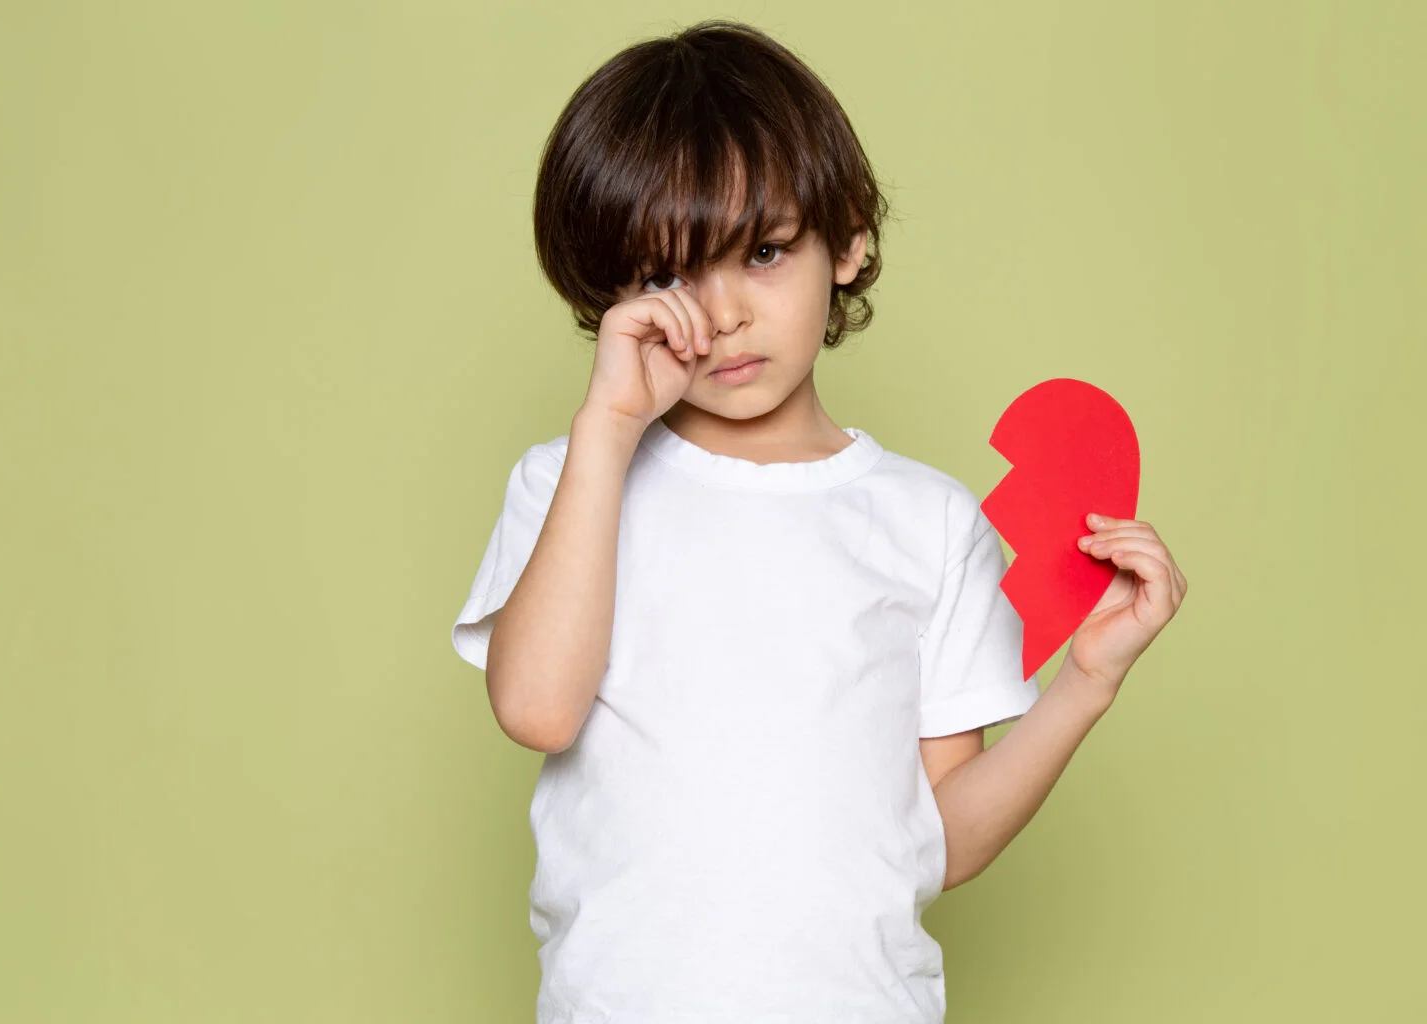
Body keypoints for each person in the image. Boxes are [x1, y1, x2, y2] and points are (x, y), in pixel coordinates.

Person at [449, 18, 1187, 1023]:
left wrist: (1086, 684)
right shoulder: (575, 475)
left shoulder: (927, 522)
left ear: (847, 242)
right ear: (609, 289)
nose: (723, 313)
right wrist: (608, 429)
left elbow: (938, 839)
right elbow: (536, 709)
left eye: (761, 251)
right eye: (667, 272)